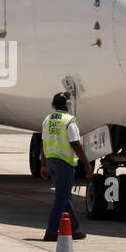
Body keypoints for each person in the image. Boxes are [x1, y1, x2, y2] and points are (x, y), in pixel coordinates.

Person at [39, 93, 89, 241]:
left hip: (51, 161)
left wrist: (42, 164)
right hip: (64, 163)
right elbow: (75, 143)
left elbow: (42, 142)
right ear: (68, 105)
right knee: (61, 198)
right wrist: (87, 164)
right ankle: (51, 230)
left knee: (65, 196)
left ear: (53, 105)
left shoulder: (47, 120)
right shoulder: (69, 121)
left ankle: (75, 229)